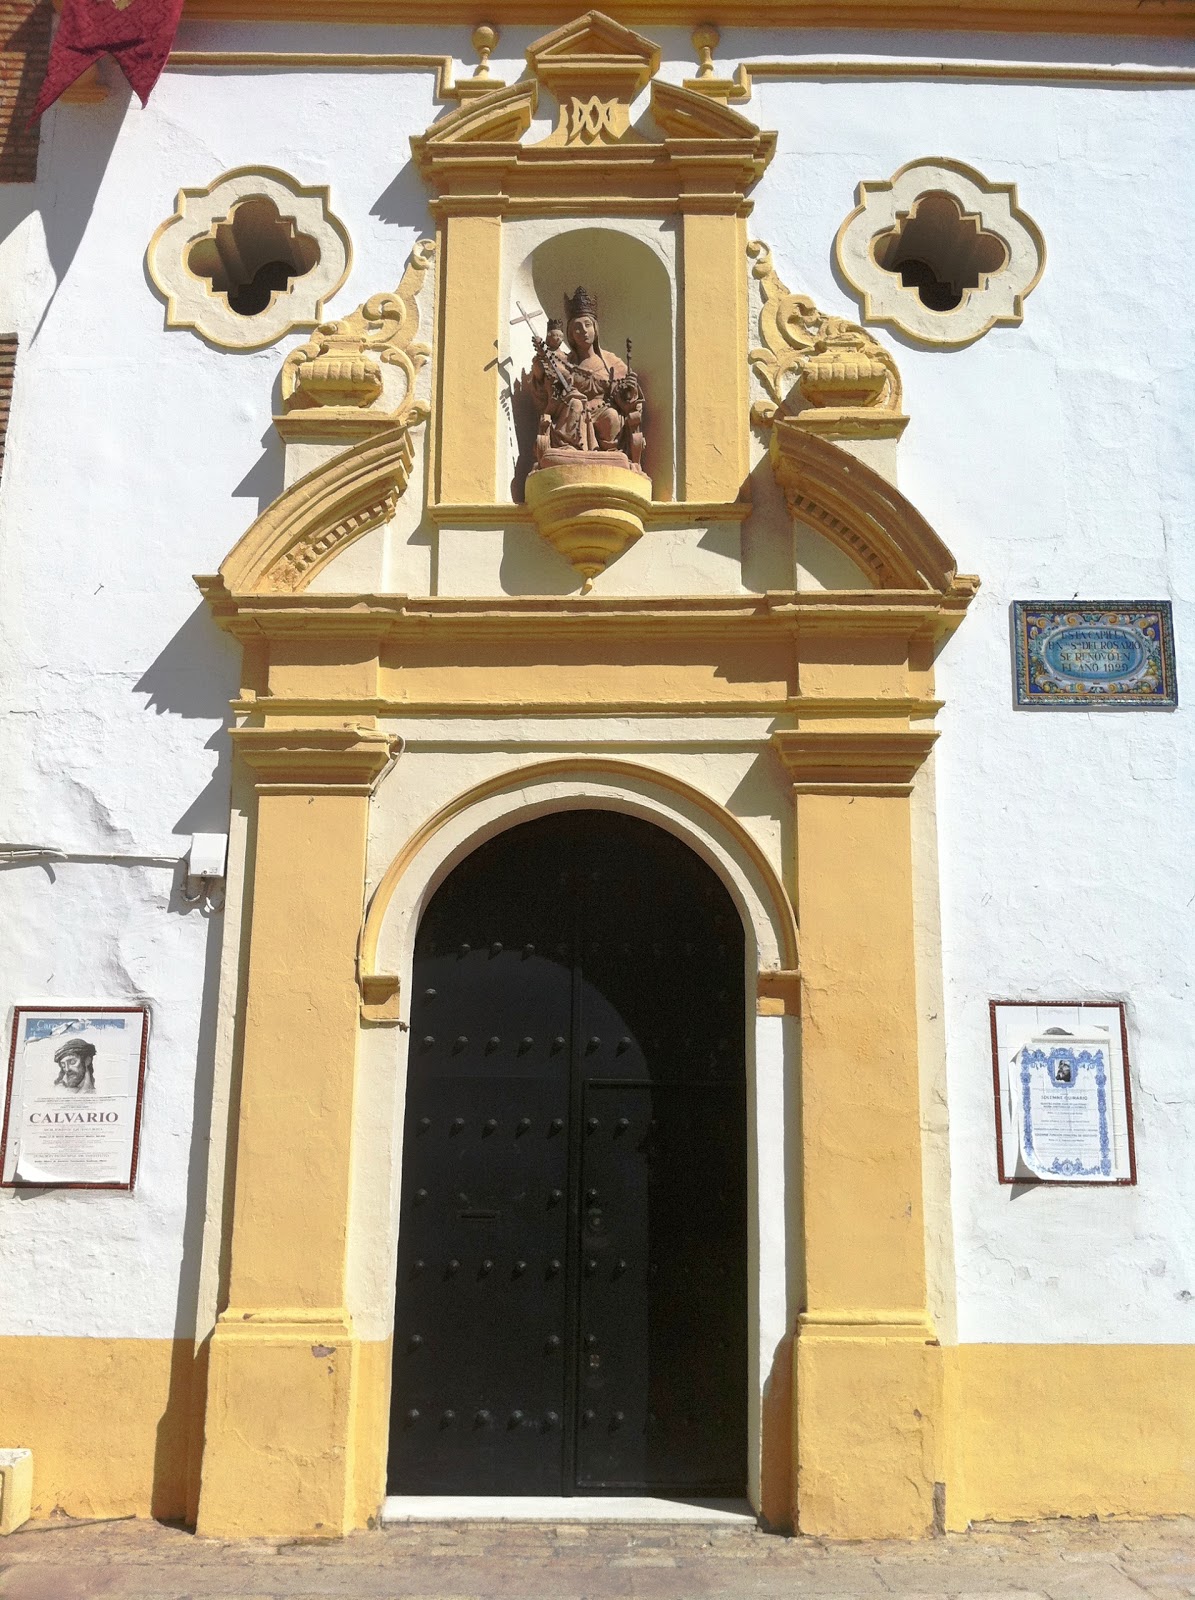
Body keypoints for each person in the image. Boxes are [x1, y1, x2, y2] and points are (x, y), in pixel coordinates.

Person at [527, 287, 644, 470]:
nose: (583, 331)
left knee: (612, 416)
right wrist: (540, 370)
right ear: (570, 334)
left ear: (595, 328)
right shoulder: (563, 361)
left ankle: (610, 454)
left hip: (602, 409)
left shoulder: (612, 362)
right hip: (573, 411)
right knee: (575, 406)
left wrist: (630, 391)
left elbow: (628, 401)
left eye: (587, 325)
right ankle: (568, 447)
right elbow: (545, 392)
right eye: (577, 328)